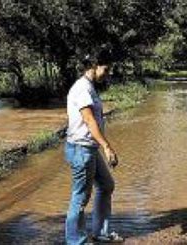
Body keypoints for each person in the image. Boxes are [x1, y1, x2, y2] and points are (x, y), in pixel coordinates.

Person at [64, 53, 124, 244]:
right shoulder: (82, 89)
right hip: (81, 149)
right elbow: (89, 120)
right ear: (95, 66)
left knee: (106, 185)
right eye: (106, 69)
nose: (108, 73)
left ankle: (100, 233)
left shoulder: (90, 88)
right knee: (80, 197)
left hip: (89, 148)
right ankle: (76, 242)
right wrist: (107, 147)